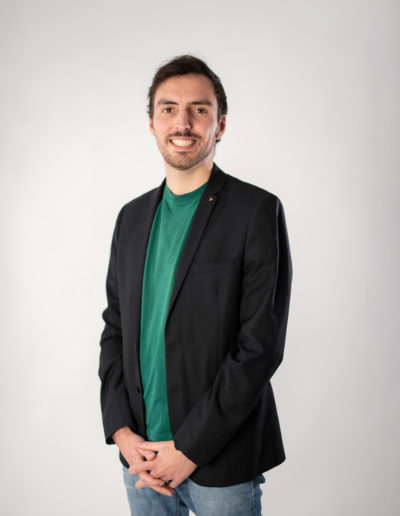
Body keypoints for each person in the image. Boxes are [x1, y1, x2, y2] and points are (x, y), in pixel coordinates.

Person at [98, 54, 293, 516]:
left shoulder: (255, 211)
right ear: (152, 124)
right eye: (168, 109)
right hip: (141, 459)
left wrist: (188, 448)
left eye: (198, 109)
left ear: (220, 124)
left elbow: (260, 347)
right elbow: (115, 328)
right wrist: (122, 433)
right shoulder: (131, 218)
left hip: (219, 461)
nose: (182, 123)